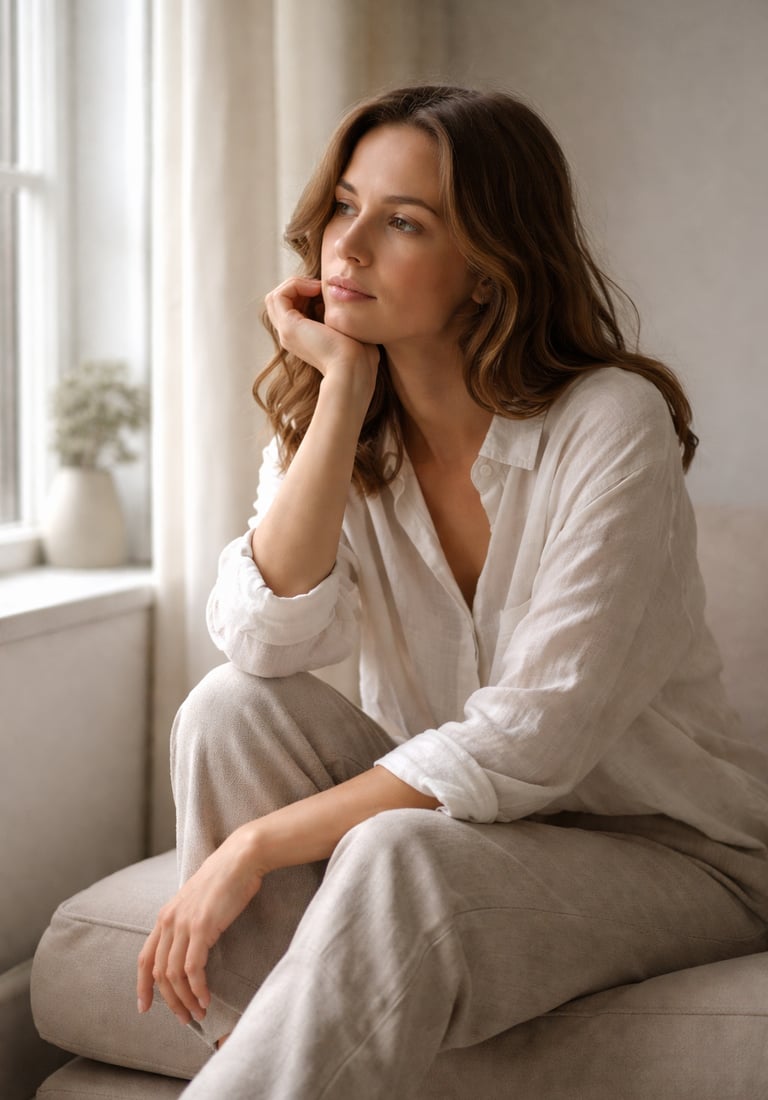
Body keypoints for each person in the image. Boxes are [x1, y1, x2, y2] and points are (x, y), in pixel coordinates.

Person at [136, 85, 768, 1099]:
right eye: (344, 206)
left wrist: (257, 843)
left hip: (677, 854)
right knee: (228, 710)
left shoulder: (611, 422)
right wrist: (339, 392)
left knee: (399, 857)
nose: (347, 248)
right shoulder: (345, 418)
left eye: (404, 222)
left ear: (489, 264)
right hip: (472, 828)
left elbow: (532, 735)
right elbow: (260, 638)